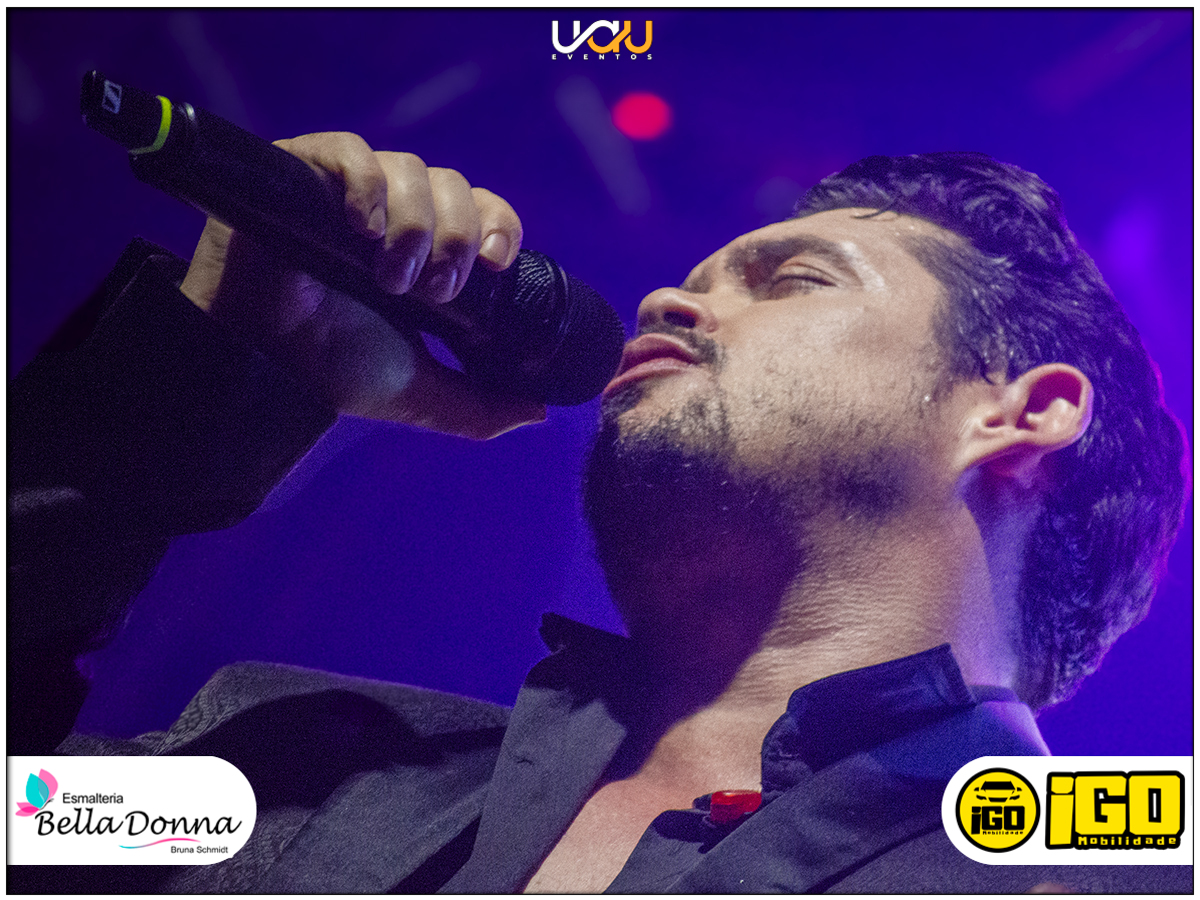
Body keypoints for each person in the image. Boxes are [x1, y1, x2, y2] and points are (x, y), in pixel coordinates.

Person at [8, 137, 1189, 893]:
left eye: (793, 279)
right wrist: (203, 371)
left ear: (1021, 412)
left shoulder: (1107, 877)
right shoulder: (278, 765)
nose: (668, 297)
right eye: (697, 277)